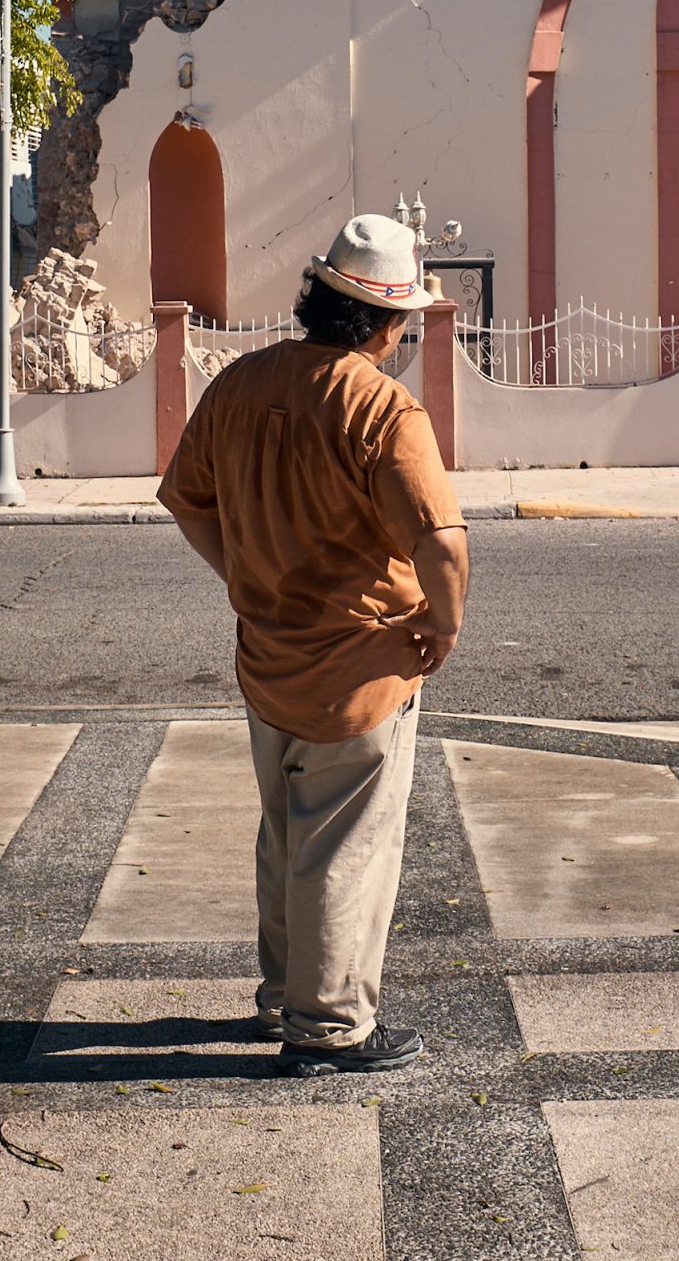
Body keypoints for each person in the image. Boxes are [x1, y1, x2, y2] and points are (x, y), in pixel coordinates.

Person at [159, 213, 469, 1077]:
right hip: (362, 665)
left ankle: (281, 996)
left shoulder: (241, 383)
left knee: (285, 834)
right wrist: (441, 626)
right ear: (386, 320)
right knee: (344, 847)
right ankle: (329, 1025)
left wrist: (240, 573)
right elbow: (442, 543)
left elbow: (186, 497)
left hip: (268, 653)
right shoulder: (383, 408)